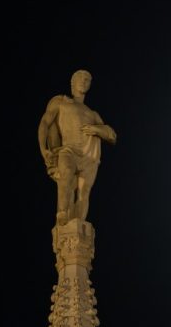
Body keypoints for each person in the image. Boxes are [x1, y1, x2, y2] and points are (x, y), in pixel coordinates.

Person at [37, 70, 117, 225]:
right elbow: (45, 124)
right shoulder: (61, 103)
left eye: (88, 79)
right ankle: (62, 214)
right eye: (81, 78)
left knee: (83, 192)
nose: (85, 81)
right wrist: (43, 149)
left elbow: (112, 135)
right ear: (72, 82)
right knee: (65, 176)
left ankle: (78, 227)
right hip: (68, 150)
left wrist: (97, 130)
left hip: (88, 156)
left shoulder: (92, 114)